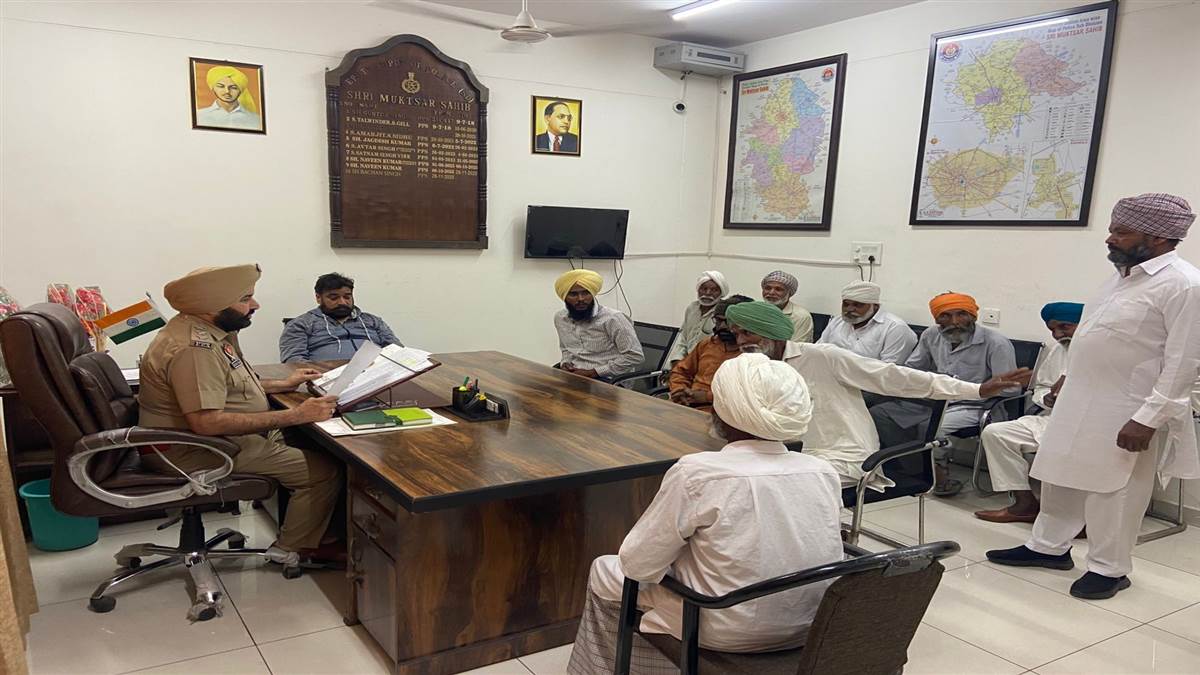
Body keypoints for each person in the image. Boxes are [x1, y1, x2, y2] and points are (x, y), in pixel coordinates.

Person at [566, 353, 843, 673]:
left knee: (605, 569)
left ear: (722, 412)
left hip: (721, 627)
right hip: (812, 624)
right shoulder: (823, 470)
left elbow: (637, 564)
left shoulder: (697, 473)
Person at [988, 193, 1200, 600]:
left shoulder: (1184, 285)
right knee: (1059, 474)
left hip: (1128, 407)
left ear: (1158, 237)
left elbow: (1184, 361)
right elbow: (1097, 337)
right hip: (1079, 398)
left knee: (1115, 489)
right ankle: (1047, 547)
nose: (1110, 238)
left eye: (1122, 231)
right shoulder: (1121, 277)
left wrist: (1148, 418)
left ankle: (1109, 568)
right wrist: (1068, 377)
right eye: (1112, 230)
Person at [137, 264, 342, 566]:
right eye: (245, 298)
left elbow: (229, 385)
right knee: (324, 471)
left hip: (211, 438)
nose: (255, 305)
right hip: (196, 449)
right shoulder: (195, 349)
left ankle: (319, 531)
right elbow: (206, 422)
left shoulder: (209, 330)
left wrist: (282, 384)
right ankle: (294, 548)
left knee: (306, 440)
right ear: (212, 305)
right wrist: (295, 415)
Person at [725, 301, 1029, 490]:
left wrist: (976, 389)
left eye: (748, 333)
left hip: (839, 455)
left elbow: (896, 377)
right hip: (786, 452)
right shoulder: (751, 366)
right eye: (736, 334)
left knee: (766, 488)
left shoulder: (823, 356)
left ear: (773, 333)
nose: (741, 341)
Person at [871, 292, 1019, 496]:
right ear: (936, 319)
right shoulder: (931, 335)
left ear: (973, 316)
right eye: (945, 316)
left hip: (975, 405)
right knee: (880, 414)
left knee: (931, 427)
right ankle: (916, 469)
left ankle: (939, 474)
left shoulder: (996, 343)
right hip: (934, 398)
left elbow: (1012, 388)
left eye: (961, 314)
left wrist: (973, 389)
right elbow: (912, 368)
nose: (954, 322)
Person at [974, 302, 1082, 524]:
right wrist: (1047, 398)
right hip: (1052, 418)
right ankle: (1024, 503)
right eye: (1052, 329)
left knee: (1065, 447)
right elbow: (1041, 387)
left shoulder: (1105, 352)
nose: (1057, 335)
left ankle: (1076, 516)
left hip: (1088, 425)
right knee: (995, 433)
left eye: (1064, 327)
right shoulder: (1058, 350)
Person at [279, 273, 403, 363]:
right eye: (334, 298)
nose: (342, 302)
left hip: (378, 377)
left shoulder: (372, 321)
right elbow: (294, 361)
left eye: (347, 297)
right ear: (318, 297)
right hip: (327, 379)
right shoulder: (301, 324)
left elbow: (397, 351)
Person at [553, 269, 643, 380]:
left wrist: (594, 372)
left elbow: (635, 356)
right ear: (564, 297)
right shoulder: (560, 318)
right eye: (573, 294)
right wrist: (565, 362)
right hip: (574, 375)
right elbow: (566, 348)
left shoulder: (613, 319)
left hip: (609, 379)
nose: (581, 299)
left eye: (586, 293)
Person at [668, 295, 752, 411]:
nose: (722, 326)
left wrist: (706, 397)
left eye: (728, 321)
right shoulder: (707, 344)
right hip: (687, 403)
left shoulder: (752, 353)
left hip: (723, 411)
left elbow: (746, 395)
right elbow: (681, 372)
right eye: (718, 320)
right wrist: (679, 389)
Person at [817, 281, 917, 364]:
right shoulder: (837, 321)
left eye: (858, 305)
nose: (850, 309)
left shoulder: (895, 328)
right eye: (846, 304)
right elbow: (818, 351)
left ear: (875, 306)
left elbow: (889, 372)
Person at [667, 270, 729, 364]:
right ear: (698, 290)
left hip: (709, 363)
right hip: (686, 361)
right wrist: (677, 360)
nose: (707, 293)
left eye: (714, 290)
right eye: (704, 289)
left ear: (721, 293)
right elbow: (683, 339)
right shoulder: (692, 308)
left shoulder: (723, 313)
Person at [195, 65, 262, 131]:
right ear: (212, 88)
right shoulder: (199, 116)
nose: (227, 91)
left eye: (233, 87)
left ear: (241, 90)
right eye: (221, 86)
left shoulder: (256, 119)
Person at [761, 270, 814, 342]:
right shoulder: (756, 310)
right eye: (768, 288)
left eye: (778, 289)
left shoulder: (801, 316)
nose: (771, 292)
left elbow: (796, 346)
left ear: (789, 294)